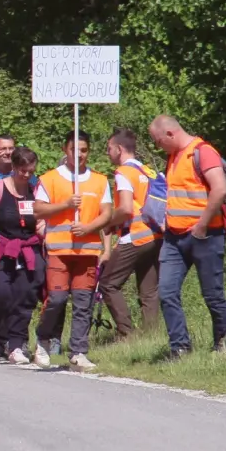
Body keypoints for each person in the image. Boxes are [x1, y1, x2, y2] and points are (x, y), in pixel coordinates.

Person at [148, 115, 226, 356]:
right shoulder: (173, 157)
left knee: (212, 294)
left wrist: (202, 225)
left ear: (170, 134)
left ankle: (223, 344)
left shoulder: (202, 152)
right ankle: (180, 347)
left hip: (205, 235)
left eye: (158, 141)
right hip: (174, 237)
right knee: (166, 291)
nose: (157, 146)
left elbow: (220, 189)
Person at [33, 131, 113, 370]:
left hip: (87, 251)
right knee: (56, 299)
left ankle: (78, 350)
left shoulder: (99, 181)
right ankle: (43, 341)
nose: (79, 154)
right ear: (65, 150)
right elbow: (38, 210)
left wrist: (88, 227)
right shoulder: (50, 179)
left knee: (83, 302)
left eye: (84, 150)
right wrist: (66, 205)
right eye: (74, 149)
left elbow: (107, 213)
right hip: (59, 249)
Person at [0, 146, 45, 364]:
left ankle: (17, 344)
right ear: (14, 167)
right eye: (22, 170)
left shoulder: (36, 191)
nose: (26, 175)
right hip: (3, 249)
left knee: (25, 296)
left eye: (30, 171)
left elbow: (42, 219)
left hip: (28, 249)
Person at [97, 127, 162, 340]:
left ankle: (127, 334)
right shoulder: (148, 171)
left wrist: (108, 223)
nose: (108, 153)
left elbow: (125, 208)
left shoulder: (123, 173)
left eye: (109, 149)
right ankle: (150, 337)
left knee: (108, 283)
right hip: (156, 236)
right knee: (149, 290)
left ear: (119, 148)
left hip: (135, 236)